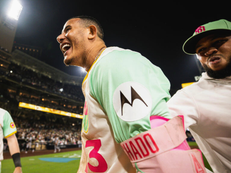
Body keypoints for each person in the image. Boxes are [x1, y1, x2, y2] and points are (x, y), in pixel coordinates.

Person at [56, 15, 206, 173]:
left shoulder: (113, 64)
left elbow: (150, 143)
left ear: (91, 32)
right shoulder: (97, 70)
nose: (59, 37)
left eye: (68, 30)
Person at [168, 19, 231, 173]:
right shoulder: (190, 96)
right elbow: (154, 136)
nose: (209, 51)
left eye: (218, 42)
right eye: (201, 50)